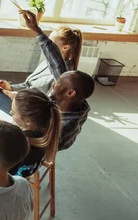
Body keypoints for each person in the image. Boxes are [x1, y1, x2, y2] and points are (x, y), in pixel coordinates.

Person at [0, 26, 82, 114]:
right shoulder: (46, 63)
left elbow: (45, 102)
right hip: (18, 98)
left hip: (26, 109)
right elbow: (28, 85)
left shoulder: (64, 76)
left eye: (51, 42)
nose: (47, 45)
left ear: (65, 47)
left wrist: (15, 95)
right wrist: (11, 87)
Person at [19, 10, 94, 150]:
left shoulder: (65, 124)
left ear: (70, 93)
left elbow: (56, 62)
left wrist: (36, 29)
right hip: (28, 124)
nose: (55, 82)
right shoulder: (64, 97)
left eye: (57, 82)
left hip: (25, 149)